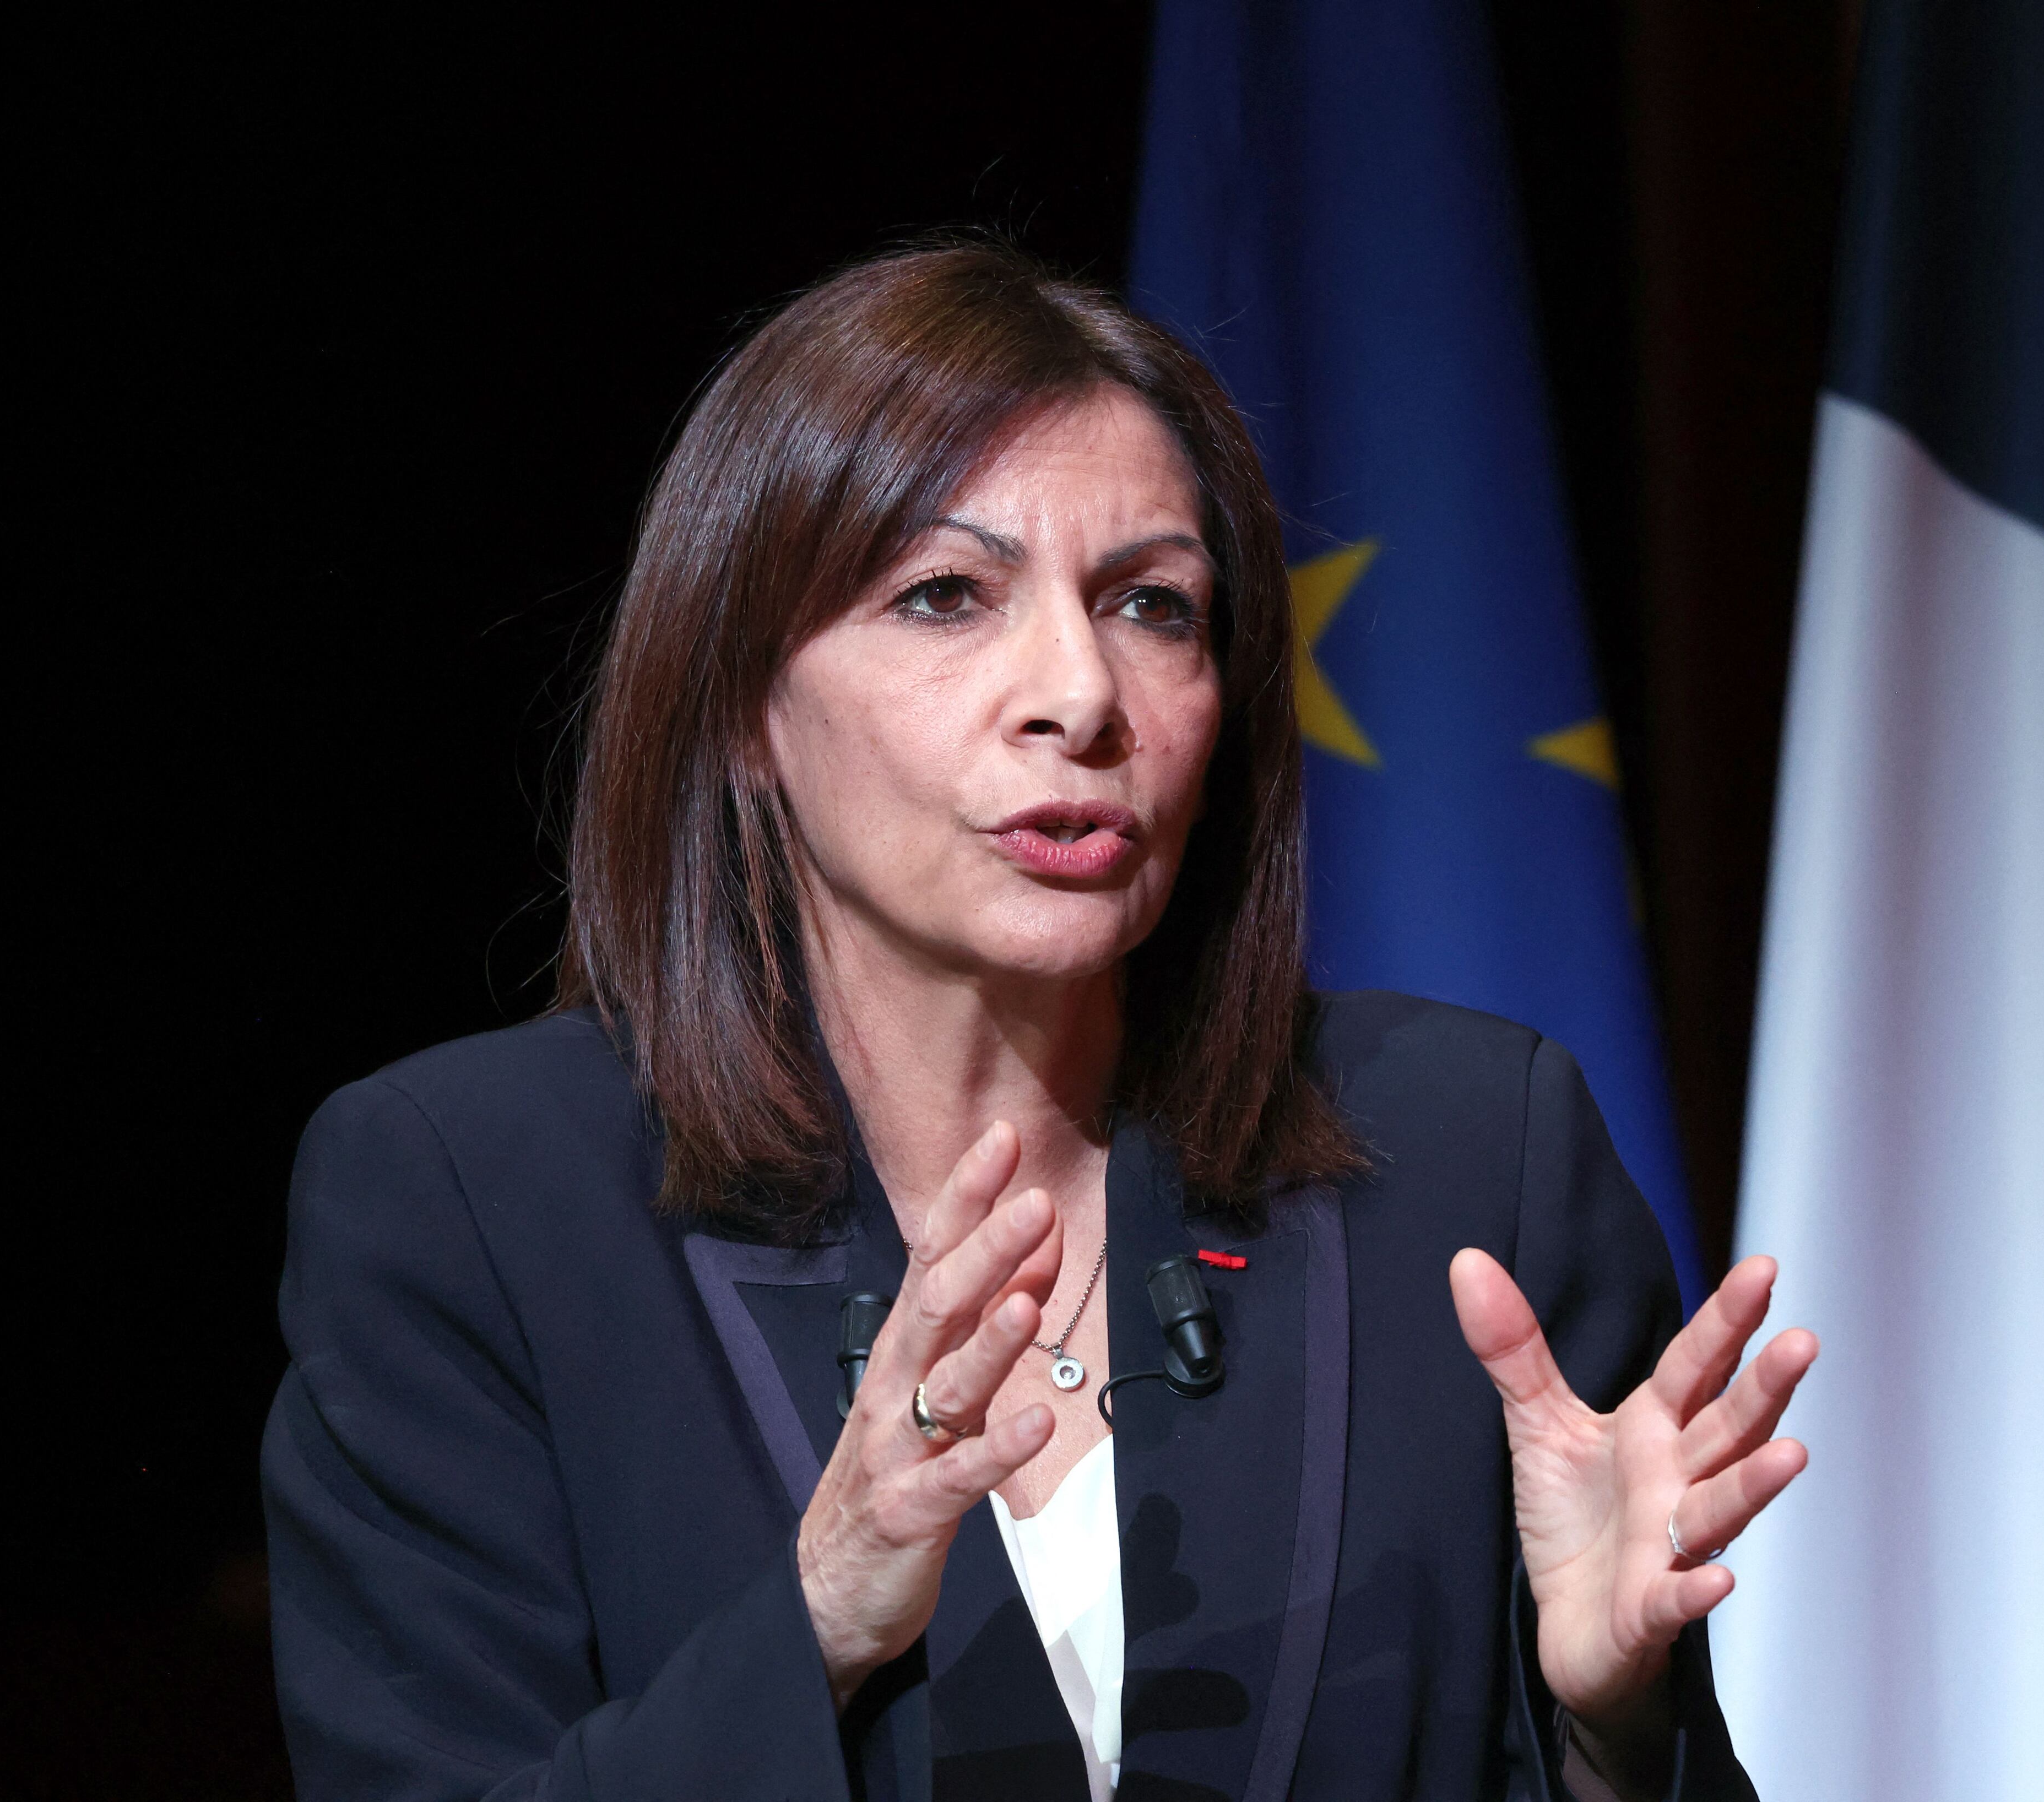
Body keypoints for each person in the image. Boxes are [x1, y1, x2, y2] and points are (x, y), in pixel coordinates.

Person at [262, 241, 1817, 1802]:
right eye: (947, 595)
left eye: (1154, 605)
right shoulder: (469, 1208)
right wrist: (820, 1621)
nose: (1080, 693)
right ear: (742, 703)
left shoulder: (1474, 1162)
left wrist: (1617, 1728)